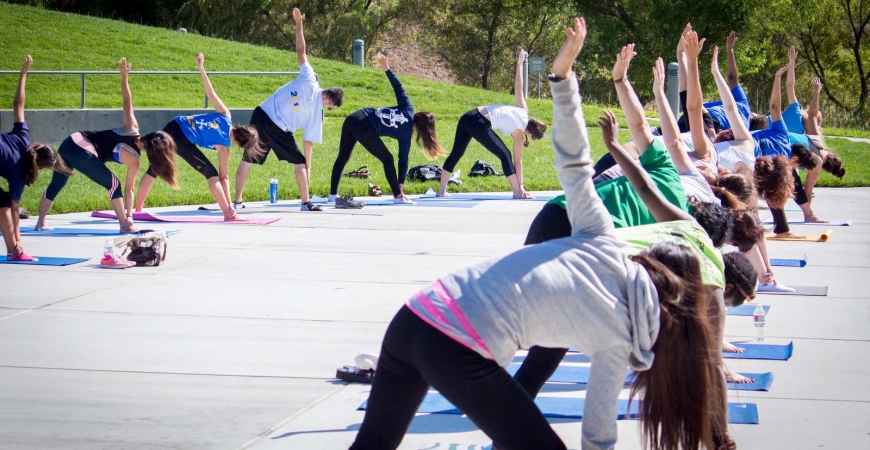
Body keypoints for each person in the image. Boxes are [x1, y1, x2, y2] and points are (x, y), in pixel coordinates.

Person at [350, 19, 725, 450]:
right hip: (452, 344)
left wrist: (564, 77)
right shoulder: (618, 337)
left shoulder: (603, 235)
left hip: (417, 312)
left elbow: (574, 165)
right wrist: (563, 78)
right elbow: (599, 435)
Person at [36, 58, 178, 238]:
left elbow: (128, 102)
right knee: (114, 185)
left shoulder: (132, 128)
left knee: (57, 183)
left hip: (71, 141)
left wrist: (124, 77)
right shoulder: (134, 159)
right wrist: (129, 217)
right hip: (83, 150)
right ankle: (124, 225)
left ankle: (40, 223)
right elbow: (129, 190)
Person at [233, 7, 344, 212]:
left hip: (263, 115)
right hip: (272, 122)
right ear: (327, 98)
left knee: (249, 159)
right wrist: (307, 167)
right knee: (293, 162)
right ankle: (305, 203)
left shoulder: (310, 78)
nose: (328, 109)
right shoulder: (313, 91)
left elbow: (301, 51)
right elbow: (308, 142)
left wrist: (299, 23)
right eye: (331, 106)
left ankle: (237, 202)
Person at [135, 53, 264, 220]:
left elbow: (210, 94)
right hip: (182, 139)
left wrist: (201, 67)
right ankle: (229, 214)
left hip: (173, 125)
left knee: (154, 168)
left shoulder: (226, 114)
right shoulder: (224, 147)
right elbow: (223, 179)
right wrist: (230, 207)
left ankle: (137, 210)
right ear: (239, 143)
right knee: (211, 175)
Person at [327, 52, 444, 209]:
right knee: (387, 159)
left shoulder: (408, 108)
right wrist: (400, 187)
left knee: (343, 157)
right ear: (424, 131)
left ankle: (332, 195)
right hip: (365, 125)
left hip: (354, 117)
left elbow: (398, 87)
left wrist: (386, 68)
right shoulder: (406, 135)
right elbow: (402, 161)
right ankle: (398, 197)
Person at [436, 50, 546, 199]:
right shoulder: (519, 134)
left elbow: (518, 87)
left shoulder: (523, 110)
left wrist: (519, 64)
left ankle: (441, 191)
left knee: (456, 153)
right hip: (479, 122)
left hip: (468, 116)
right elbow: (517, 162)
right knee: (504, 154)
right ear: (531, 134)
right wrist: (521, 187)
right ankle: (516, 193)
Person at [0, 55, 66, 261]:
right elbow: (14, 209)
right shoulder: (20, 175)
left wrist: (23, 75)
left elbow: (18, 104)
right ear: (41, 168)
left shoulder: (22, 136)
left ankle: (14, 250)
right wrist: (18, 240)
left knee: (3, 204)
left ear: (36, 145)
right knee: (3, 205)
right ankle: (14, 252)